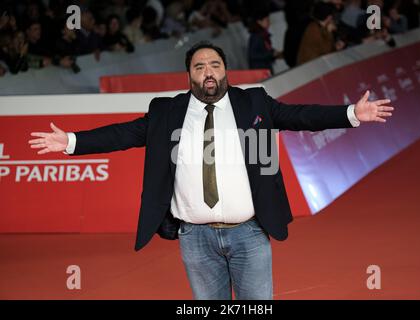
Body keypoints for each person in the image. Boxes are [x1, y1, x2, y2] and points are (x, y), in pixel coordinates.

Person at [28, 41, 394, 300]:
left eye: (215, 65)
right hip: (195, 239)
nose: (208, 71)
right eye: (199, 66)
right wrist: (73, 142)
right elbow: (123, 134)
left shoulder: (254, 102)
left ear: (225, 72)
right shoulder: (166, 111)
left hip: (250, 234)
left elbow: (301, 116)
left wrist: (350, 114)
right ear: (188, 74)